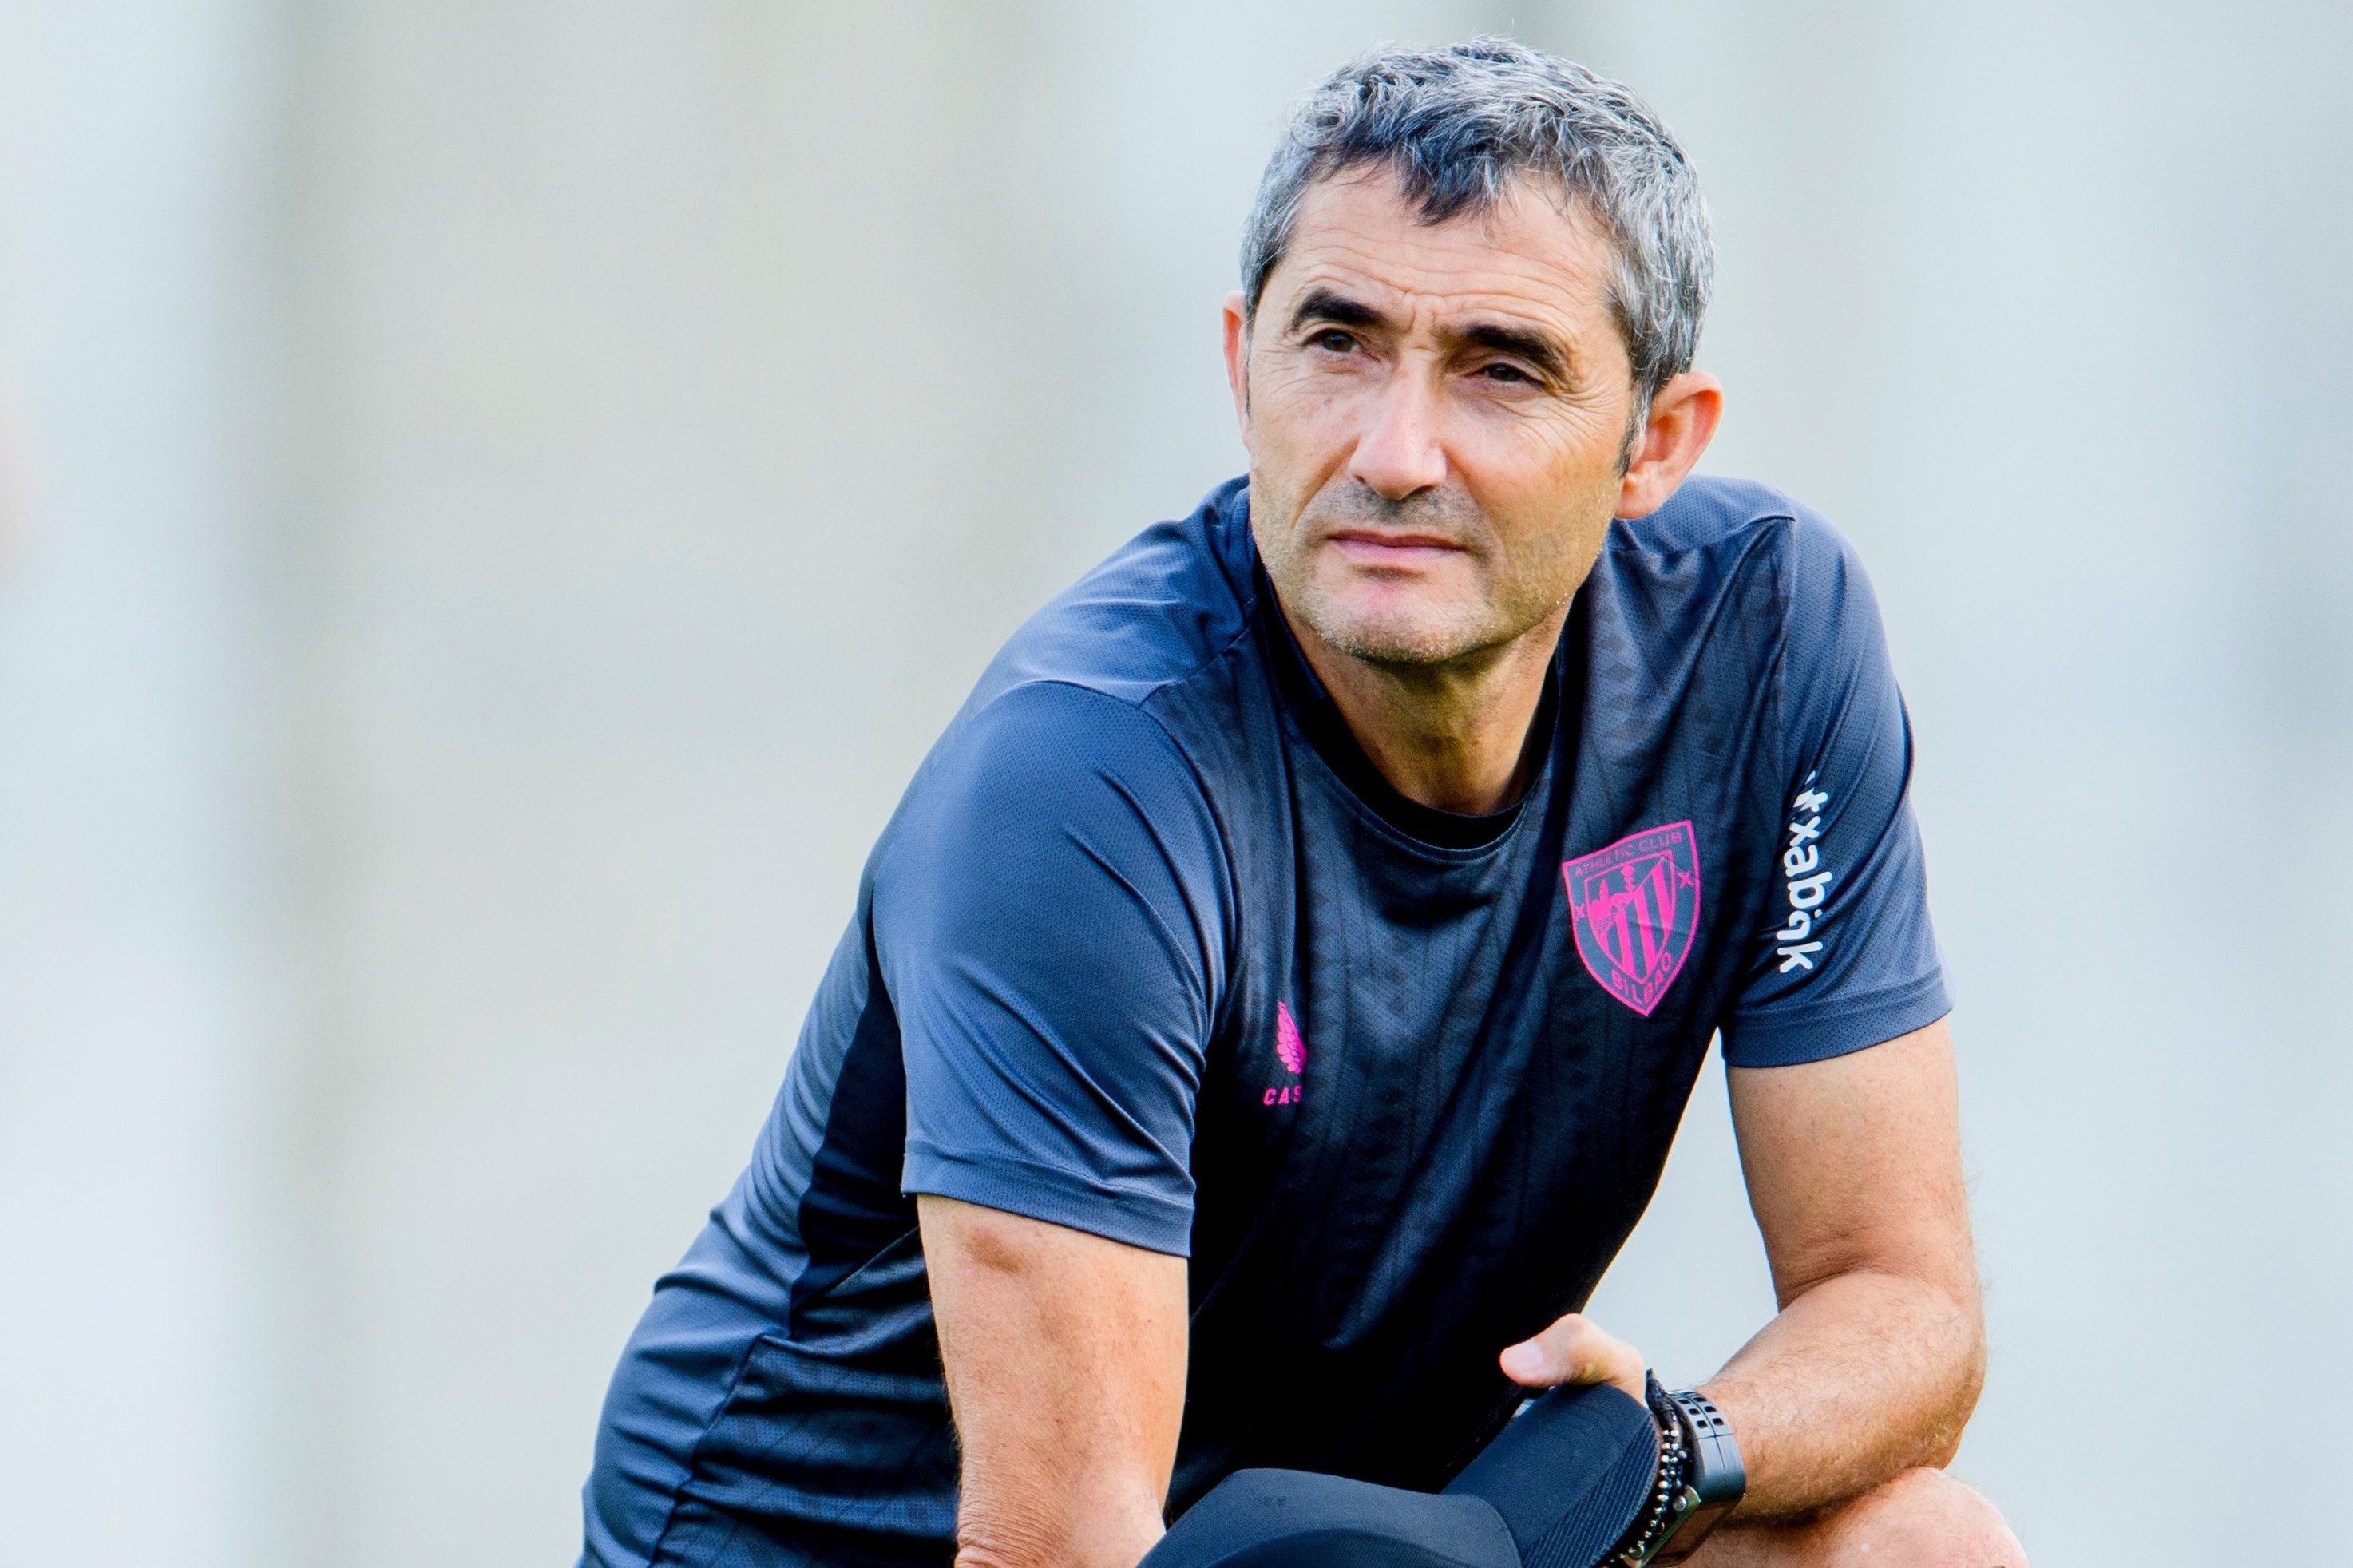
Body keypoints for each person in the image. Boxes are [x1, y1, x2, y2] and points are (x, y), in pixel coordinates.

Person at [581, 38, 2026, 1568]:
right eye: (1337, 341)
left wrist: (1667, 1454)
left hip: (1357, 1533)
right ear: (1239, 362)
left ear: (1652, 445)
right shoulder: (1086, 782)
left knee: (1919, 1548)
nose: (1394, 455)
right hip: (861, 1548)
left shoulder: (1762, 639)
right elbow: (1061, 1547)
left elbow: (1902, 1303)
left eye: (1501, 368)